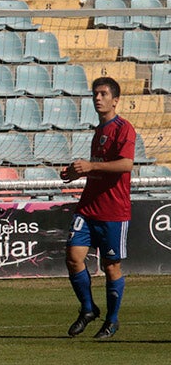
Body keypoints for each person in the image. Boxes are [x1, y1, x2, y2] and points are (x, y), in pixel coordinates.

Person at [60, 77, 135, 340]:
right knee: (73, 256)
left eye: (103, 94)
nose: (97, 98)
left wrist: (91, 167)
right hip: (88, 207)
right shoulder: (99, 130)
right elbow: (99, 167)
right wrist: (75, 173)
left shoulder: (124, 129)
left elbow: (125, 165)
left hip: (113, 211)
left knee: (111, 266)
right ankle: (89, 309)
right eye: (95, 94)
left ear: (115, 100)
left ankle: (112, 321)